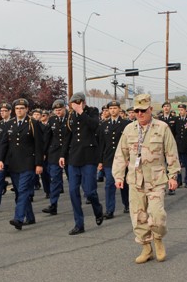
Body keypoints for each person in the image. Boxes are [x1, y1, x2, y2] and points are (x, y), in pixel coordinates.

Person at [112, 94, 180, 264]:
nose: (140, 114)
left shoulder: (162, 127)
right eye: (137, 111)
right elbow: (121, 154)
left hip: (156, 179)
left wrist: (173, 176)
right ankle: (146, 248)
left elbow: (171, 152)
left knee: (157, 215)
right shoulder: (129, 129)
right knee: (138, 217)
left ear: (150, 109)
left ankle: (158, 240)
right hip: (135, 180)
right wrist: (118, 175)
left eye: (143, 110)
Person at [60, 92, 104, 235]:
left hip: (89, 157)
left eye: (80, 103)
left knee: (90, 191)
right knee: (73, 191)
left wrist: (81, 112)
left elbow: (95, 126)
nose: (77, 105)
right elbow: (67, 136)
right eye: (75, 103)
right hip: (74, 158)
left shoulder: (92, 112)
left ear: (84, 102)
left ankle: (98, 209)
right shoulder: (70, 116)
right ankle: (79, 224)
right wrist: (62, 155)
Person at [0, 98, 44, 230]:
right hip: (14, 163)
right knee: (19, 192)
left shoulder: (33, 123)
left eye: (22, 108)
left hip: (28, 163)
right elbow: (4, 144)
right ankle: (30, 217)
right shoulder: (10, 124)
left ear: (27, 109)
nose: (19, 111)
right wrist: (0, 160)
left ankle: (18, 218)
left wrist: (39, 164)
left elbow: (39, 145)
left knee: (23, 190)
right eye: (17, 108)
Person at [98, 100, 130, 219]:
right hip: (109, 159)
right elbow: (101, 144)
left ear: (119, 109)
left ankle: (127, 204)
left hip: (123, 159)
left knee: (124, 184)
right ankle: (109, 210)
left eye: (115, 108)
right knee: (109, 184)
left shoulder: (126, 124)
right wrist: (100, 161)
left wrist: (129, 159)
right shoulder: (104, 125)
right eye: (110, 108)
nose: (112, 110)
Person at [42, 99, 69, 216]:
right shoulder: (52, 120)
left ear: (65, 108)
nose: (58, 112)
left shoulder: (70, 119)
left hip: (69, 153)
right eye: (56, 110)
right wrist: (44, 152)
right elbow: (47, 137)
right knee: (54, 179)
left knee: (74, 179)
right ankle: (53, 204)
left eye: (60, 109)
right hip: (55, 153)